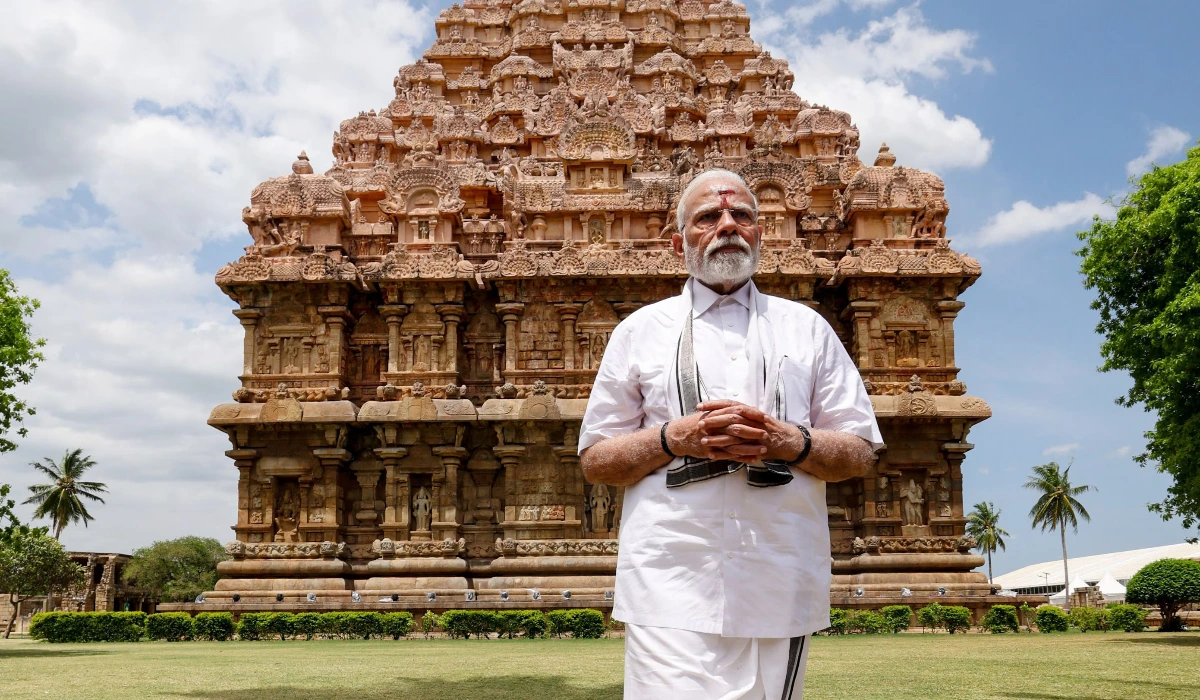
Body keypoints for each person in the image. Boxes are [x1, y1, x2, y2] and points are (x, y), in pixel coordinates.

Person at [578, 169, 883, 700]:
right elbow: (596, 459)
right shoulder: (640, 331)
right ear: (679, 243)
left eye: (742, 215)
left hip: (778, 570)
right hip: (668, 575)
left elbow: (858, 450)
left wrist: (788, 441)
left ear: (761, 233)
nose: (728, 225)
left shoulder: (805, 327)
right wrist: (675, 438)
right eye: (708, 217)